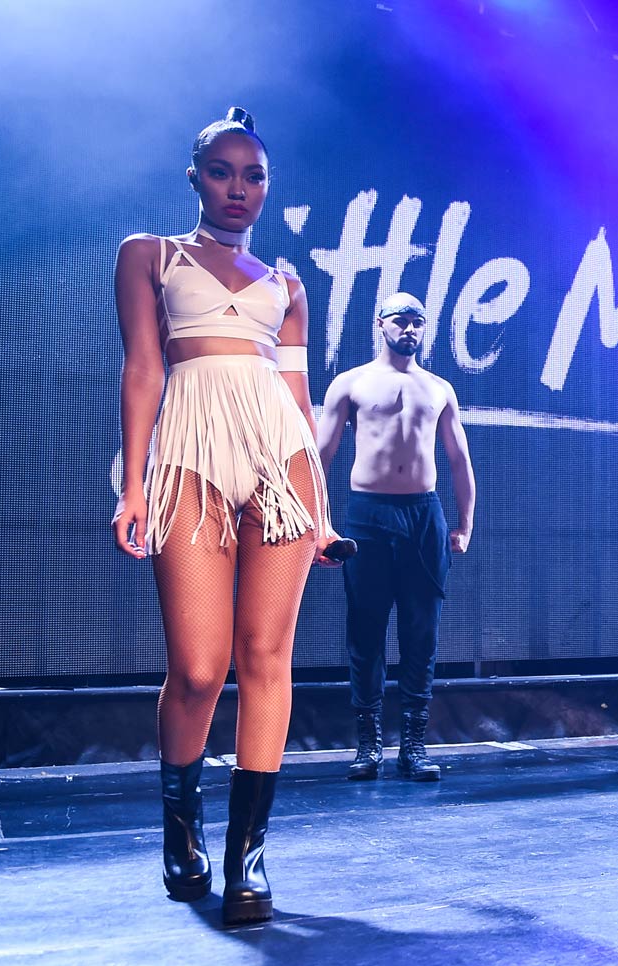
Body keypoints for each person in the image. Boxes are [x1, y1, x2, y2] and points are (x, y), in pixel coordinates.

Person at [111, 108, 342, 924]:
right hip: (190, 456)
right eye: (222, 171)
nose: (238, 188)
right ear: (194, 176)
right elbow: (144, 369)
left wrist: (320, 507)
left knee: (267, 657)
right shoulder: (149, 255)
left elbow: (297, 398)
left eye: (254, 176)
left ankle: (249, 860)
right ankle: (182, 826)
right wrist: (133, 485)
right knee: (202, 669)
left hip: (279, 462)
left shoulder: (287, 284)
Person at [317, 293, 475, 782]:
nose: (410, 329)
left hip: (422, 516)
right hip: (368, 515)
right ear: (379, 323)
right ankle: (368, 745)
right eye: (401, 320)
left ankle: (414, 745)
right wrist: (316, 522)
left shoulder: (439, 388)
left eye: (418, 322)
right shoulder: (351, 383)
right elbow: (319, 456)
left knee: (421, 633)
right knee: (365, 632)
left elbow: (459, 459)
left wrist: (465, 524)